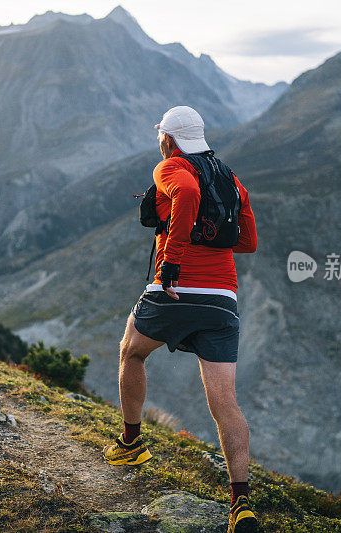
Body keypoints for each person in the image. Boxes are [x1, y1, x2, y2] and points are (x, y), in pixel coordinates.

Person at [101, 106, 258, 533]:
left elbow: (186, 195)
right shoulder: (231, 178)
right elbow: (248, 241)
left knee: (130, 351)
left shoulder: (171, 166)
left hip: (175, 288)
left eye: (161, 137)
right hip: (222, 298)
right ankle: (241, 503)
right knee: (225, 402)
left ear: (169, 139)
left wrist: (173, 261)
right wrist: (210, 244)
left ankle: (132, 443)